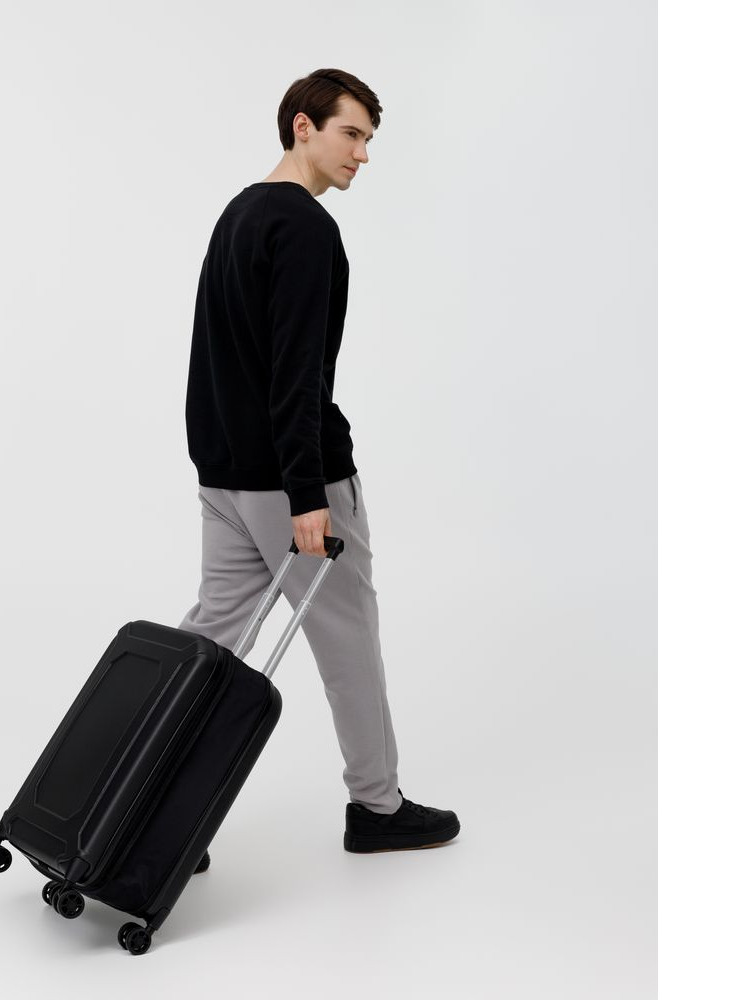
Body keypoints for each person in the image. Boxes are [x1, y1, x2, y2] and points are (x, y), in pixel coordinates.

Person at [177, 68, 460, 853]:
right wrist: (308, 495)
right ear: (303, 126)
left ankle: (147, 816)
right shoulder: (304, 226)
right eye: (351, 133)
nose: (362, 154)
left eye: (368, 139)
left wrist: (213, 470)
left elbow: (212, 361)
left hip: (227, 479)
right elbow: (294, 374)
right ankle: (378, 807)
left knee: (207, 646)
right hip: (296, 483)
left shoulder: (237, 214)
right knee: (347, 637)